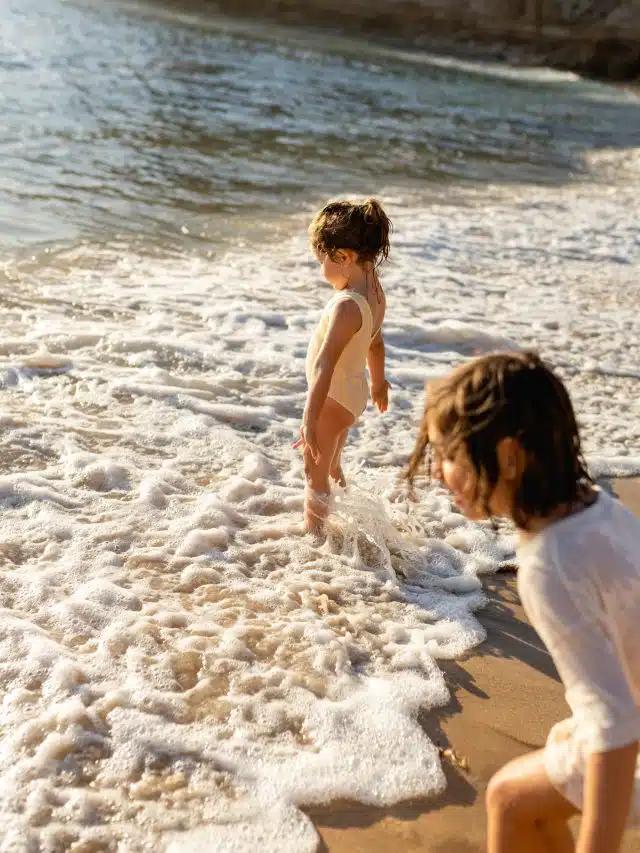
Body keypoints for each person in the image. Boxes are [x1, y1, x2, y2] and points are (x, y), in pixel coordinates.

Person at [407, 351, 640, 853]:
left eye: (452, 455)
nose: (437, 474)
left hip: (630, 728)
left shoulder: (549, 564)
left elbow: (616, 728)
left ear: (510, 455)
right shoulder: (599, 509)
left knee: (514, 801)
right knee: (515, 800)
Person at [296, 198, 391, 535]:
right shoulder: (375, 292)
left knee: (314, 471)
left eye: (321, 260)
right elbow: (375, 343)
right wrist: (379, 384)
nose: (321, 269)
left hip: (332, 398)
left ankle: (315, 538)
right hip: (352, 396)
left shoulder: (346, 307)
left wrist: (309, 417)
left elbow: (324, 363)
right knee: (332, 463)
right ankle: (356, 520)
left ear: (345, 257)